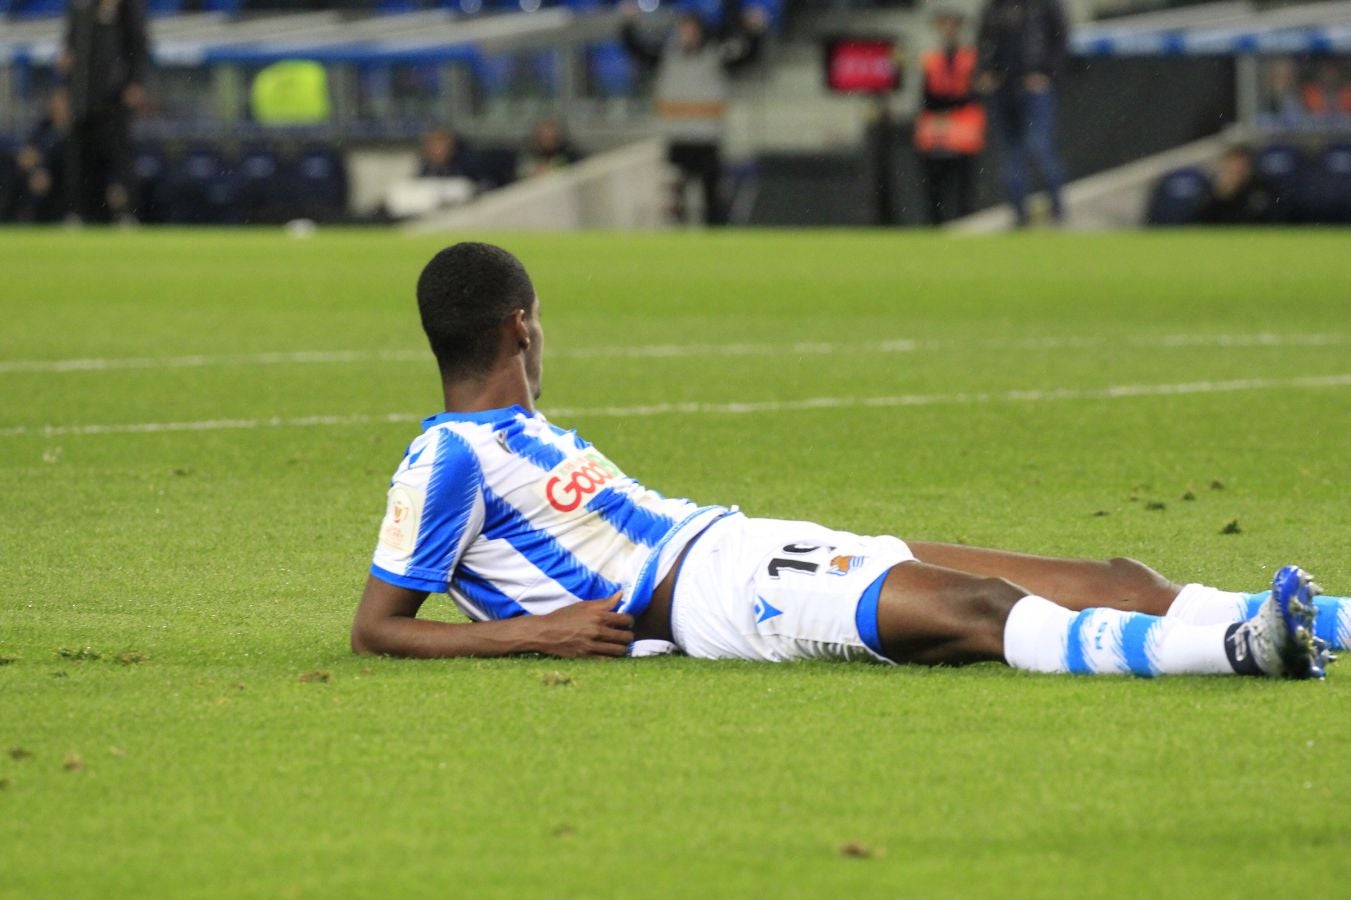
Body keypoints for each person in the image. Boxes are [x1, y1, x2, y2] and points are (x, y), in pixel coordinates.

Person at [350, 242, 1343, 681]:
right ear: (522, 325)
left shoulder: (527, 434)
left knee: (1109, 579)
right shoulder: (443, 461)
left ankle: (1330, 621)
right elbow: (375, 631)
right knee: (979, 613)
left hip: (744, 541)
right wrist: (536, 637)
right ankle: (1243, 650)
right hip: (720, 598)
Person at [621, 3, 767, 225]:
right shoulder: (667, 56)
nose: (686, 34)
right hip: (677, 138)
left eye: (691, 29)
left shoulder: (714, 57)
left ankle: (714, 242)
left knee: (711, 197)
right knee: (675, 200)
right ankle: (679, 241)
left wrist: (756, 33)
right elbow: (639, 51)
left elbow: (747, 58)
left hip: (707, 139)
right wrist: (628, 26)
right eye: (683, 29)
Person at [975, 0, 1067, 227]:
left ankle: (1058, 211)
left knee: (1038, 147)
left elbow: (1060, 40)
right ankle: (1020, 217)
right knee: (1010, 156)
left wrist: (1047, 74)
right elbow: (984, 42)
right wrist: (986, 71)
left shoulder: (1046, 5)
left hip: (1033, 87)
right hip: (1003, 89)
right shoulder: (994, 7)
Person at [61, 0, 151, 224]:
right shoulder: (81, 8)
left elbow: (139, 46)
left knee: (120, 156)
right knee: (81, 158)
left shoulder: (127, 9)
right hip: (82, 98)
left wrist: (135, 82)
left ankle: (127, 213)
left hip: (115, 99)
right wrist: (64, 83)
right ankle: (81, 212)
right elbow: (69, 48)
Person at [914, 9, 986, 225]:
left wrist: (947, 110)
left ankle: (965, 226)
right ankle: (936, 230)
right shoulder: (931, 59)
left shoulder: (970, 58)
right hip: (936, 131)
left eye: (952, 25)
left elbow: (974, 93)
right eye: (943, 25)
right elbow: (925, 96)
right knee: (935, 190)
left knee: (964, 189)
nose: (947, 30)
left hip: (962, 131)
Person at [10, 90, 72, 223]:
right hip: (39, 176)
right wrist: (36, 169)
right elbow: (27, 153)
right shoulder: (43, 127)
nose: (58, 107)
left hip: (62, 180)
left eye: (62, 103)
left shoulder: (78, 132)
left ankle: (66, 216)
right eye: (55, 103)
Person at [1196, 145, 1275, 226]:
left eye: (1242, 164)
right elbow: (1199, 220)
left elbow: (1266, 218)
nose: (1237, 169)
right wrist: (1220, 195)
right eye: (1233, 163)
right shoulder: (1210, 190)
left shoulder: (1261, 189)